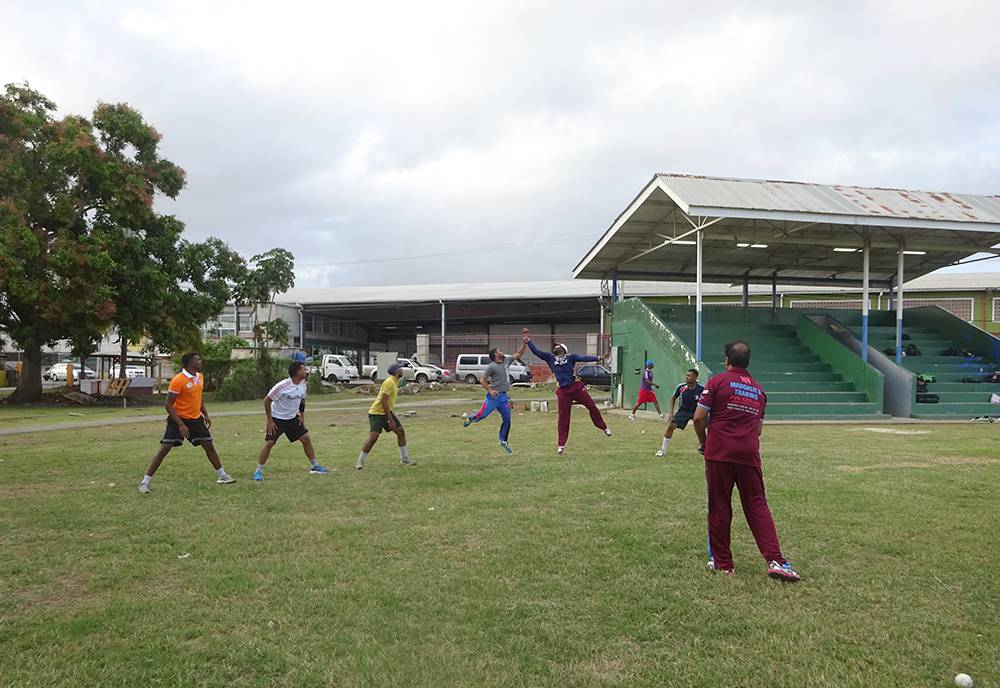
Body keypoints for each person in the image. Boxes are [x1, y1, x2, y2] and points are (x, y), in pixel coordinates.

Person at [693, 341, 800, 581]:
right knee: (757, 504)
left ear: (726, 361)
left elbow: (699, 417)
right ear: (748, 362)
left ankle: (724, 564)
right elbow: (758, 429)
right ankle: (776, 560)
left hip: (719, 452)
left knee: (719, 505)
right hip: (749, 454)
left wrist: (704, 441)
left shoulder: (717, 382)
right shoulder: (759, 391)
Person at [138, 352, 235, 493]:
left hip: (196, 419)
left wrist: (205, 414)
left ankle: (222, 476)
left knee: (209, 445)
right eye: (198, 360)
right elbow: (168, 405)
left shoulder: (199, 377)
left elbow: (199, 397)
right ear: (190, 363)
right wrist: (180, 424)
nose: (201, 362)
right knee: (164, 449)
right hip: (178, 419)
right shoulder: (178, 380)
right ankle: (144, 482)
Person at [523, 328, 611, 454]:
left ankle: (603, 427)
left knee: (592, 406)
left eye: (558, 346)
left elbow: (584, 358)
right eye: (555, 347)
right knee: (563, 417)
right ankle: (561, 444)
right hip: (563, 391)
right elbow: (537, 352)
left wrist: (599, 358)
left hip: (576, 387)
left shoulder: (571, 357)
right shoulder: (549, 358)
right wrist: (528, 341)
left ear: (564, 350)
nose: (556, 347)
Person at [252, 360, 330, 481]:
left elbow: (302, 400)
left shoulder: (303, 384)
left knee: (306, 439)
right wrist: (270, 420)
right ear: (298, 372)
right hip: (277, 419)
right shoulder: (282, 386)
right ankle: (258, 471)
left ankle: (315, 466)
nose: (306, 371)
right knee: (269, 443)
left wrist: (302, 415)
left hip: (292, 418)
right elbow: (267, 400)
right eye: (304, 369)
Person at [462, 339, 529, 454]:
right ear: (495, 355)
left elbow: (519, 354)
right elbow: (482, 380)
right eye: (499, 351)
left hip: (504, 397)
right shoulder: (491, 367)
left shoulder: (507, 360)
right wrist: (490, 390)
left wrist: (525, 343)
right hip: (493, 397)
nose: (501, 352)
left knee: (507, 420)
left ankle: (503, 441)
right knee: (481, 415)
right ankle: (470, 417)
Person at [356, 362, 415, 469]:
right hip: (377, 413)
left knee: (400, 432)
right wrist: (390, 420)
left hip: (386, 411)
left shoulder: (395, 381)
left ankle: (405, 459)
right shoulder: (389, 382)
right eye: (400, 368)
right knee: (373, 438)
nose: (402, 370)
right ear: (397, 371)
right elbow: (383, 402)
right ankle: (360, 462)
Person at [656, 368, 704, 456]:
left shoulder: (702, 389)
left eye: (689, 376)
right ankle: (663, 451)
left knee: (709, 428)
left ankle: (705, 448)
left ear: (695, 377)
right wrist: (671, 413)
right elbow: (673, 398)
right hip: (683, 411)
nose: (687, 377)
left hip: (697, 411)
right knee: (670, 426)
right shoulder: (681, 387)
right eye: (686, 375)